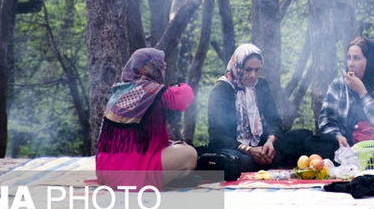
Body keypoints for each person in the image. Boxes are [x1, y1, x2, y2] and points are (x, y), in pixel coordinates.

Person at [96, 48, 198, 190]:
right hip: (130, 173)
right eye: (161, 65)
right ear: (146, 68)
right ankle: (161, 180)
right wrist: (182, 85)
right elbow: (184, 98)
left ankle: (168, 179)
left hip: (105, 172)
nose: (164, 69)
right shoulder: (148, 91)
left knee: (176, 146)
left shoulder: (121, 90)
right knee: (189, 153)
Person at [205, 43, 312, 173]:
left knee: (304, 136)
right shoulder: (221, 89)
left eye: (257, 70)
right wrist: (248, 150)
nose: (253, 75)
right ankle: (263, 162)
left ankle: (264, 160)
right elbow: (217, 135)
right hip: (234, 148)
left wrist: (270, 142)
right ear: (237, 67)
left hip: (261, 144)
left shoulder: (261, 84)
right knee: (235, 161)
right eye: (248, 70)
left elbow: (274, 120)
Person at [316, 37, 374, 160]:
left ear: (370, 62)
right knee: (310, 141)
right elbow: (326, 120)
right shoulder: (338, 84)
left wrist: (362, 92)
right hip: (345, 145)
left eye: (356, 58)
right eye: (349, 58)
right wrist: (337, 136)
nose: (350, 64)